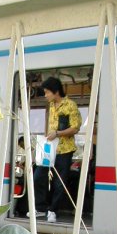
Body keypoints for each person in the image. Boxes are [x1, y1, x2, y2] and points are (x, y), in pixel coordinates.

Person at [28, 76, 82, 223]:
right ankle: (40, 208)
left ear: (56, 91)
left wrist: (57, 133)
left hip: (65, 150)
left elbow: (75, 128)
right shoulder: (51, 106)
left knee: (59, 182)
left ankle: (52, 210)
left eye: (47, 92)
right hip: (49, 148)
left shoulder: (70, 105)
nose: (45, 95)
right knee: (38, 177)